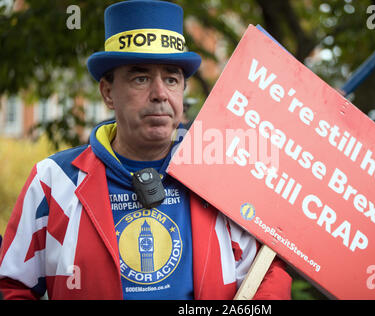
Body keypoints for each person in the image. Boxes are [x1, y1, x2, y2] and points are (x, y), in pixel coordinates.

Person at [0, 0, 291, 300]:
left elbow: (267, 269)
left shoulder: (222, 178)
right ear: (108, 92)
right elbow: (12, 287)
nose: (160, 94)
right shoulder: (53, 181)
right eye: (141, 78)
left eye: (171, 79)